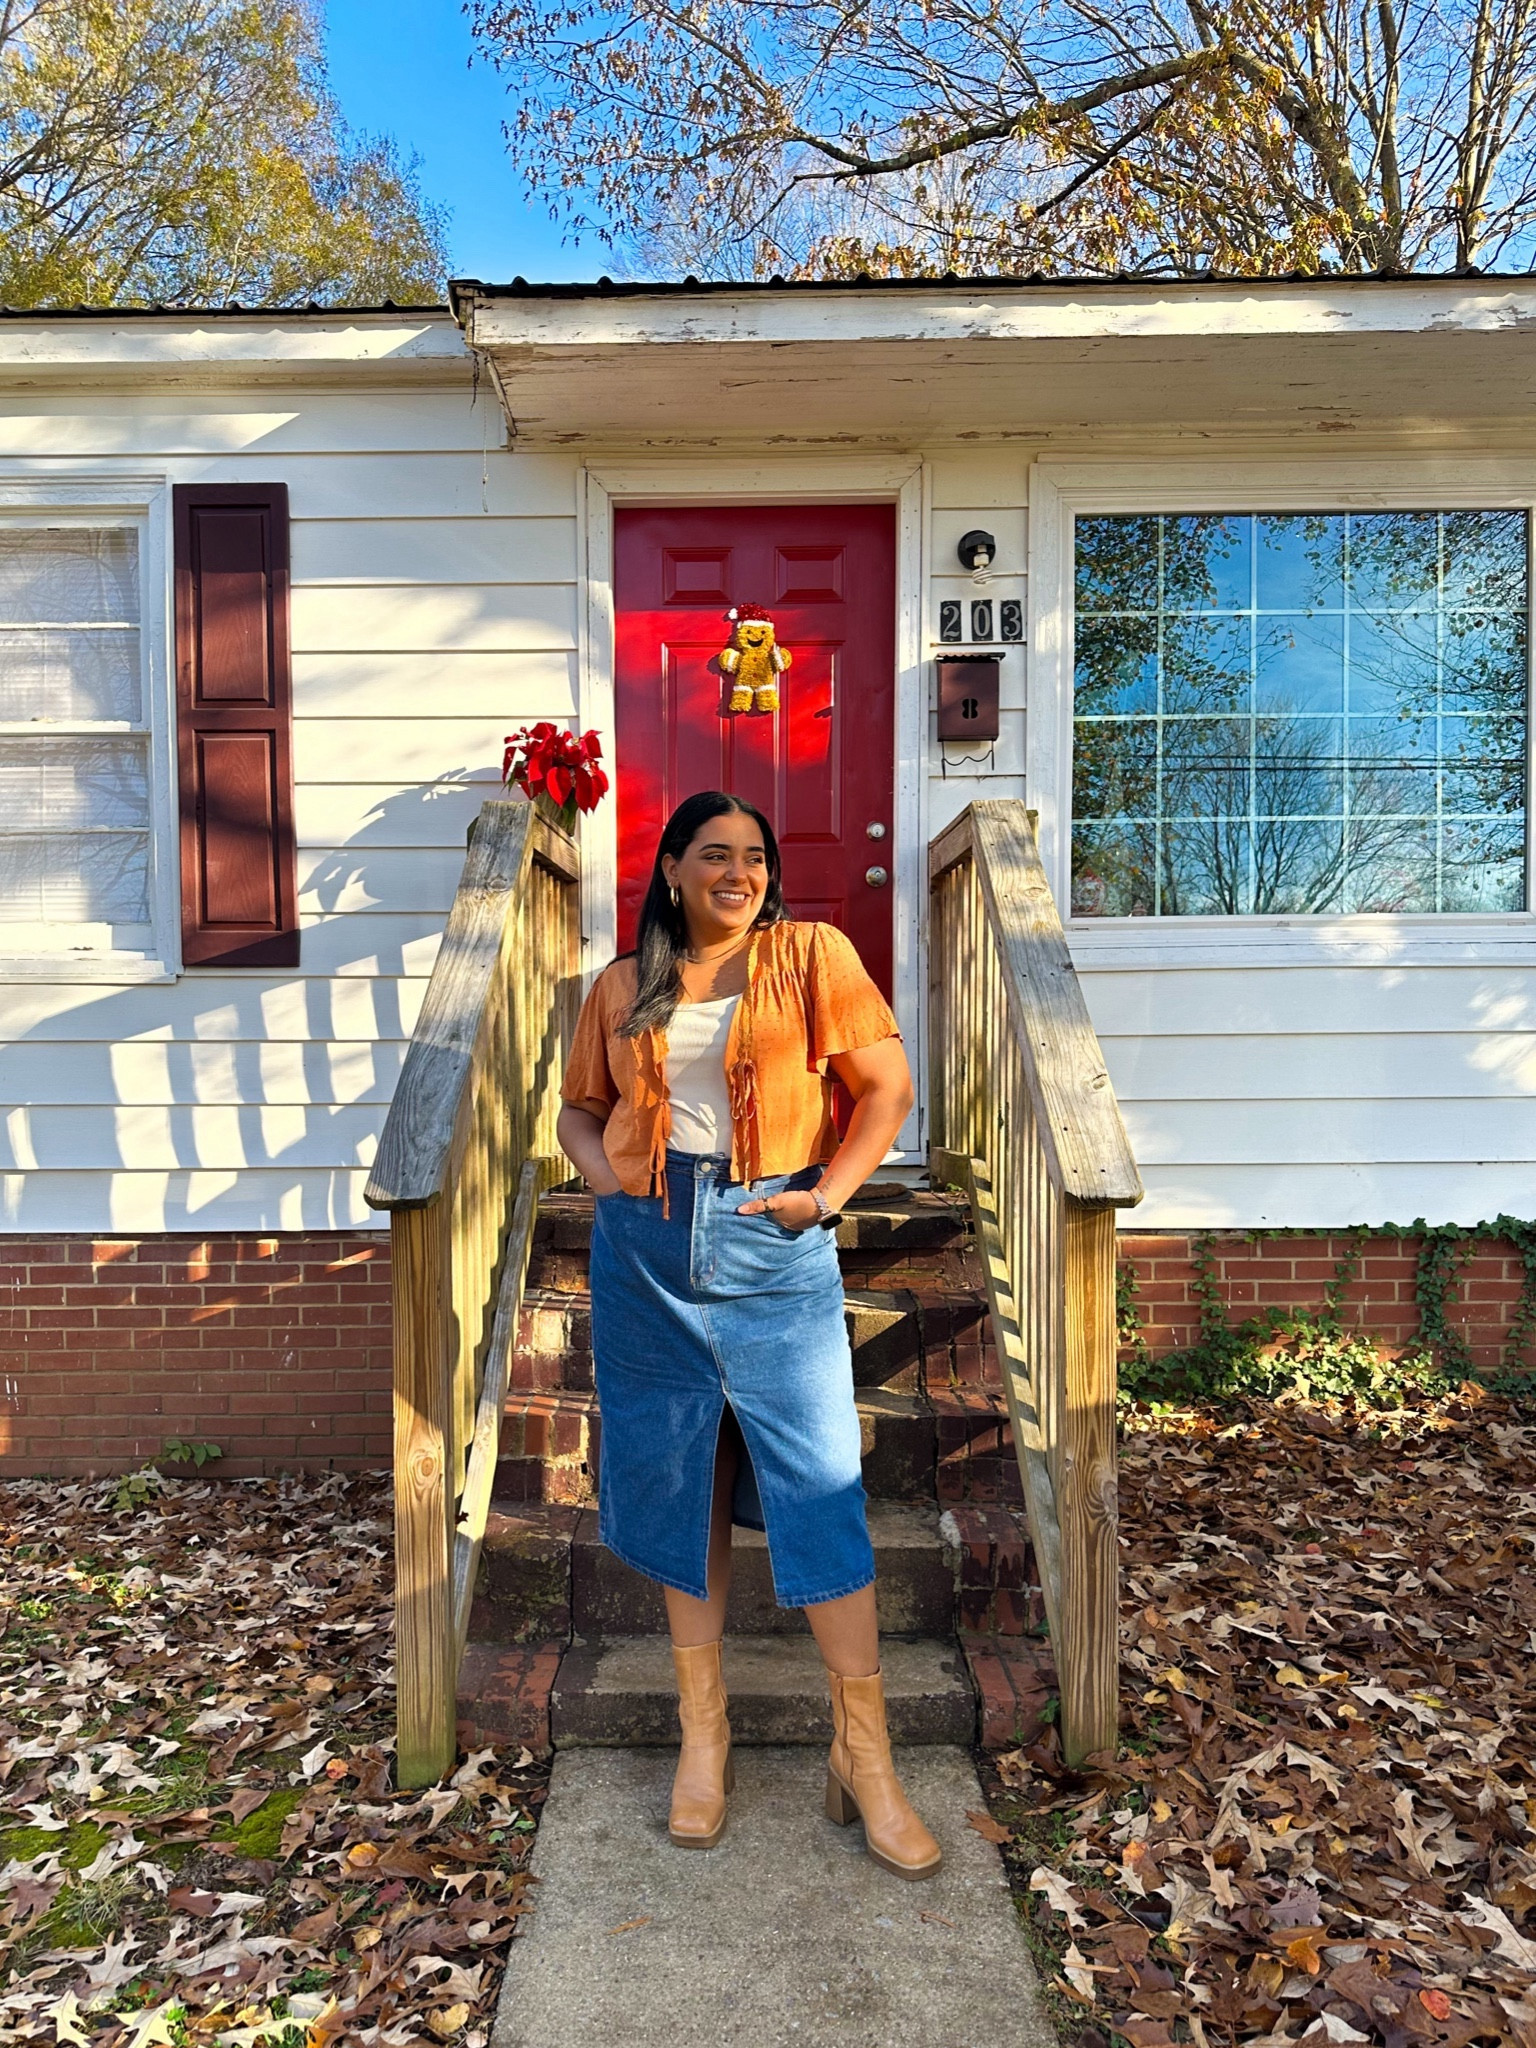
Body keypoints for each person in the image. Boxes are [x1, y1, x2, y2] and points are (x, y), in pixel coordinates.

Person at [556, 790, 942, 1880]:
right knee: (680, 1480)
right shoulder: (621, 987)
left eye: (757, 856)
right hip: (646, 1253)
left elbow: (885, 1090)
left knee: (820, 1483)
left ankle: (865, 1755)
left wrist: (825, 1195)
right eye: (716, 854)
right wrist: (611, 1188)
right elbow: (578, 1110)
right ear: (673, 867)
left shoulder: (813, 953)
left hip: (773, 1235)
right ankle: (704, 1735)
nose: (741, 871)